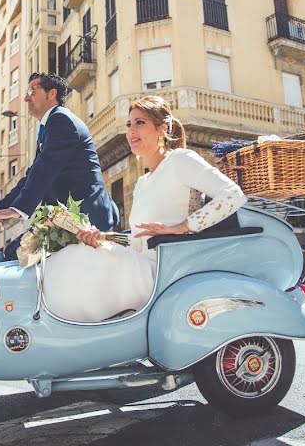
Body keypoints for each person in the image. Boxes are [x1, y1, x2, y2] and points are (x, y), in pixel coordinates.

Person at [42, 95, 247, 322]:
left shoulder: (180, 160)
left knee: (76, 260)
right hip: (139, 265)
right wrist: (104, 238)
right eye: (129, 124)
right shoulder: (142, 182)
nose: (131, 131)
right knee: (74, 253)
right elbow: (138, 243)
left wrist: (181, 227)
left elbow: (233, 195)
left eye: (140, 123)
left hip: (164, 271)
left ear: (162, 128)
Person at [0, 73, 119, 260]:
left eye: (32, 91)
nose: (26, 97)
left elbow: (44, 170)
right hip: (61, 218)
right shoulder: (50, 125)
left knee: (12, 256)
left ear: (51, 94)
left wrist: (16, 210)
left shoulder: (61, 121)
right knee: (10, 254)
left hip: (84, 218)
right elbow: (32, 175)